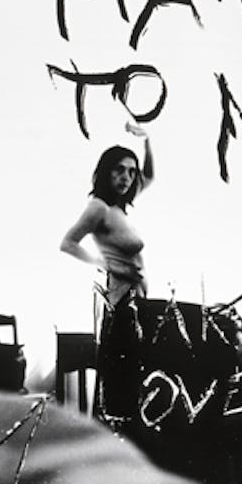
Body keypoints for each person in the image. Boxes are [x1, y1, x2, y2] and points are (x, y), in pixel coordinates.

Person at [60, 122, 154, 428]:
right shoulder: (98, 208)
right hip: (120, 304)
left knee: (134, 380)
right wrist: (103, 263)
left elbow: (150, 176)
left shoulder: (119, 209)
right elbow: (68, 243)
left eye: (131, 172)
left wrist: (147, 140)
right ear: (105, 172)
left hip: (136, 300)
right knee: (121, 385)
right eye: (119, 170)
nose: (126, 177)